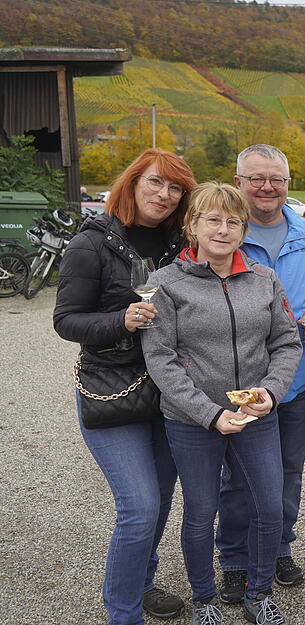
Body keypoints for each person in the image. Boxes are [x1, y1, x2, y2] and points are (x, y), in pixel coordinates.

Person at [142, 182, 302, 625]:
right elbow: (161, 360)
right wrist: (210, 415)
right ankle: (205, 599)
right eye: (213, 219)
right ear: (193, 224)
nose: (223, 228)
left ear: (243, 230)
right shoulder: (165, 284)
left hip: (254, 414)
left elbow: (287, 342)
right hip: (193, 421)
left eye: (233, 221)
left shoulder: (264, 278)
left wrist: (270, 392)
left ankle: (258, 592)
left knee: (270, 506)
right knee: (201, 511)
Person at [53, 148, 195, 625]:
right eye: (155, 182)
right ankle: (123, 613)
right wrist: (121, 320)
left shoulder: (181, 244)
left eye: (175, 188)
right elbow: (66, 320)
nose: (165, 194)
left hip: (170, 390)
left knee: (160, 500)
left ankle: (143, 581)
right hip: (112, 387)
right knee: (138, 506)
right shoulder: (91, 244)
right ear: (133, 183)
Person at [215, 144, 305, 601]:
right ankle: (234, 559)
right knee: (238, 477)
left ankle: (279, 546)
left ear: (288, 182)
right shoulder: (225, 236)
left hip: (296, 380)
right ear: (238, 181)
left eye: (276, 179)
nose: (267, 187)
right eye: (257, 178)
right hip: (241, 383)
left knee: (288, 471)